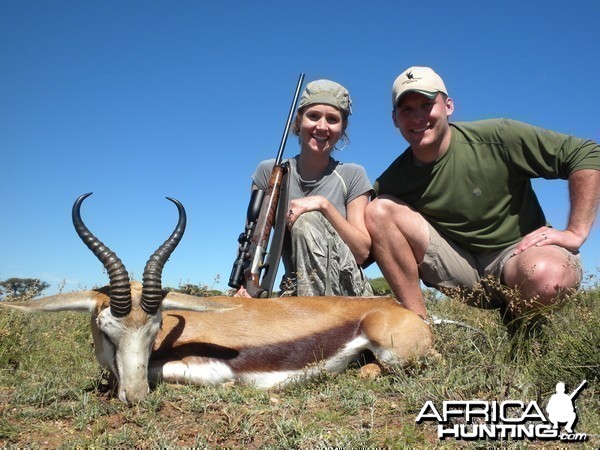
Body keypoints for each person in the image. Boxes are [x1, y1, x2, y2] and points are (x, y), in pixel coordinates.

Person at [366, 66, 600, 320]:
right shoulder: (392, 180)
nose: (417, 116)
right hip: (462, 271)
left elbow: (586, 153)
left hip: (519, 256)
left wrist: (576, 231)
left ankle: (523, 325)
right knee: (378, 210)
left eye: (426, 104)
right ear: (395, 119)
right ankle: (417, 326)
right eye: (406, 109)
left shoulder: (498, 136)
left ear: (449, 106)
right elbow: (365, 248)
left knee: (547, 275)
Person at [237, 79, 374, 297]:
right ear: (299, 121)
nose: (322, 126)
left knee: (306, 221)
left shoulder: (353, 174)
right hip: (296, 287)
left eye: (332, 119)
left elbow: (362, 252)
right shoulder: (268, 172)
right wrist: (244, 285)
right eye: (313, 116)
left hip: (348, 292)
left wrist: (323, 206)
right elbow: (252, 238)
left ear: (342, 127)